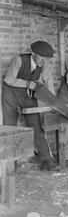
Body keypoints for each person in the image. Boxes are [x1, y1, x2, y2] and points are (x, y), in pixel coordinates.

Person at [1, 41, 58, 171]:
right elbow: (8, 79)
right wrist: (27, 84)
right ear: (34, 53)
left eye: (46, 59)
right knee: (10, 128)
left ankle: (47, 161)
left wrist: (53, 103)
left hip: (27, 96)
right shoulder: (19, 60)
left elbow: (49, 83)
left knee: (36, 127)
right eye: (42, 58)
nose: (44, 61)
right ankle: (10, 164)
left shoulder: (45, 64)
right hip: (10, 95)